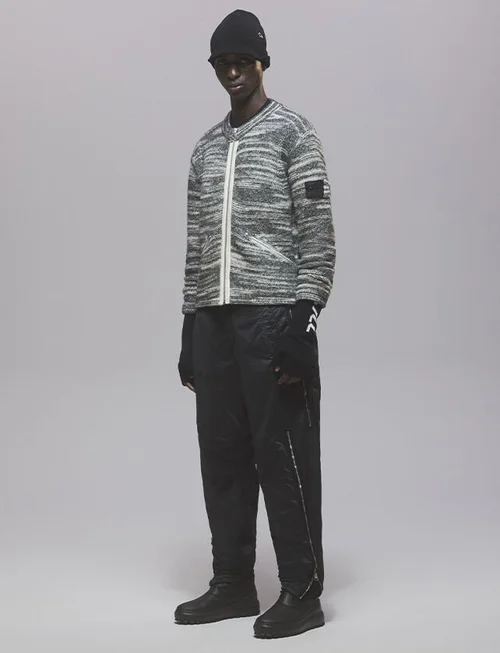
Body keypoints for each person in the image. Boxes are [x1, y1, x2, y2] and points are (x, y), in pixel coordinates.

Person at [175, 9, 336, 639]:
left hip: (273, 318)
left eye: (242, 61)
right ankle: (234, 583)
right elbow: (196, 242)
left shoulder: (293, 133)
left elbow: (317, 233)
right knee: (221, 454)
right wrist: (189, 324)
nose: (233, 72)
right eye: (222, 63)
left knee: (284, 454)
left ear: (262, 62)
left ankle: (302, 591)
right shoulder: (205, 148)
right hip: (213, 321)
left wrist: (304, 317)